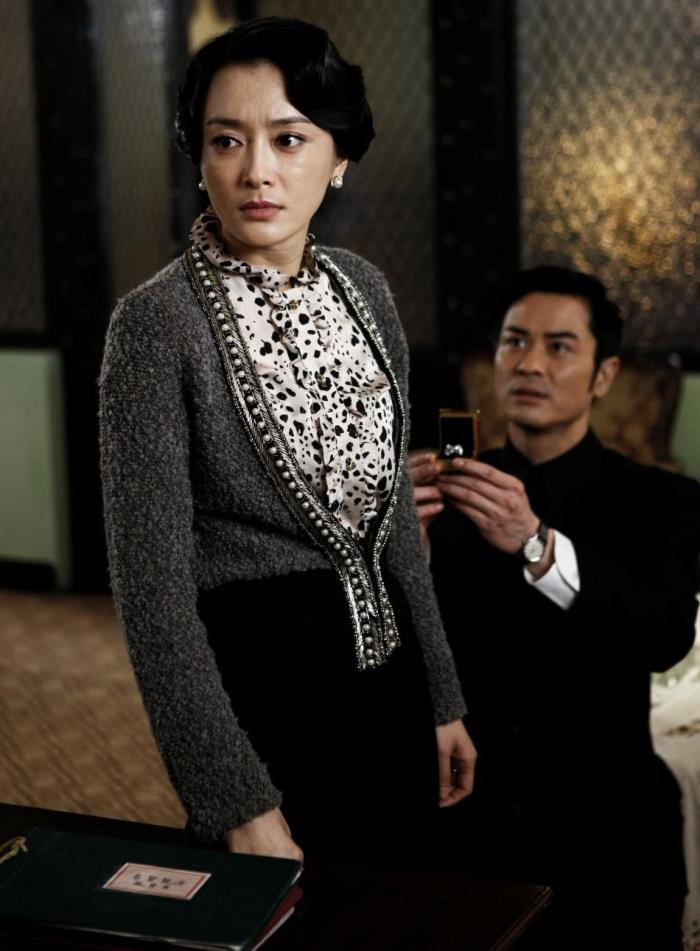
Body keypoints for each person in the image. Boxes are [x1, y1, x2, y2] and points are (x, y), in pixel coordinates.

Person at [99, 16, 475, 865]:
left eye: (289, 138)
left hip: (391, 689)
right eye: (226, 140)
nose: (256, 170)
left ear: (338, 157)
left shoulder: (367, 290)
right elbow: (153, 597)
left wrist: (442, 696)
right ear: (199, 157)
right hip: (266, 713)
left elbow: (396, 527)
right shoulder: (156, 325)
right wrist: (234, 798)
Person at [410, 266, 700, 948]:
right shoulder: (442, 495)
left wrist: (536, 543)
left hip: (610, 836)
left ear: (604, 375)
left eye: (559, 346)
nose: (530, 363)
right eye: (514, 342)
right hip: (463, 827)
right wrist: (402, 559)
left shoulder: (664, 499)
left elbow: (664, 636)